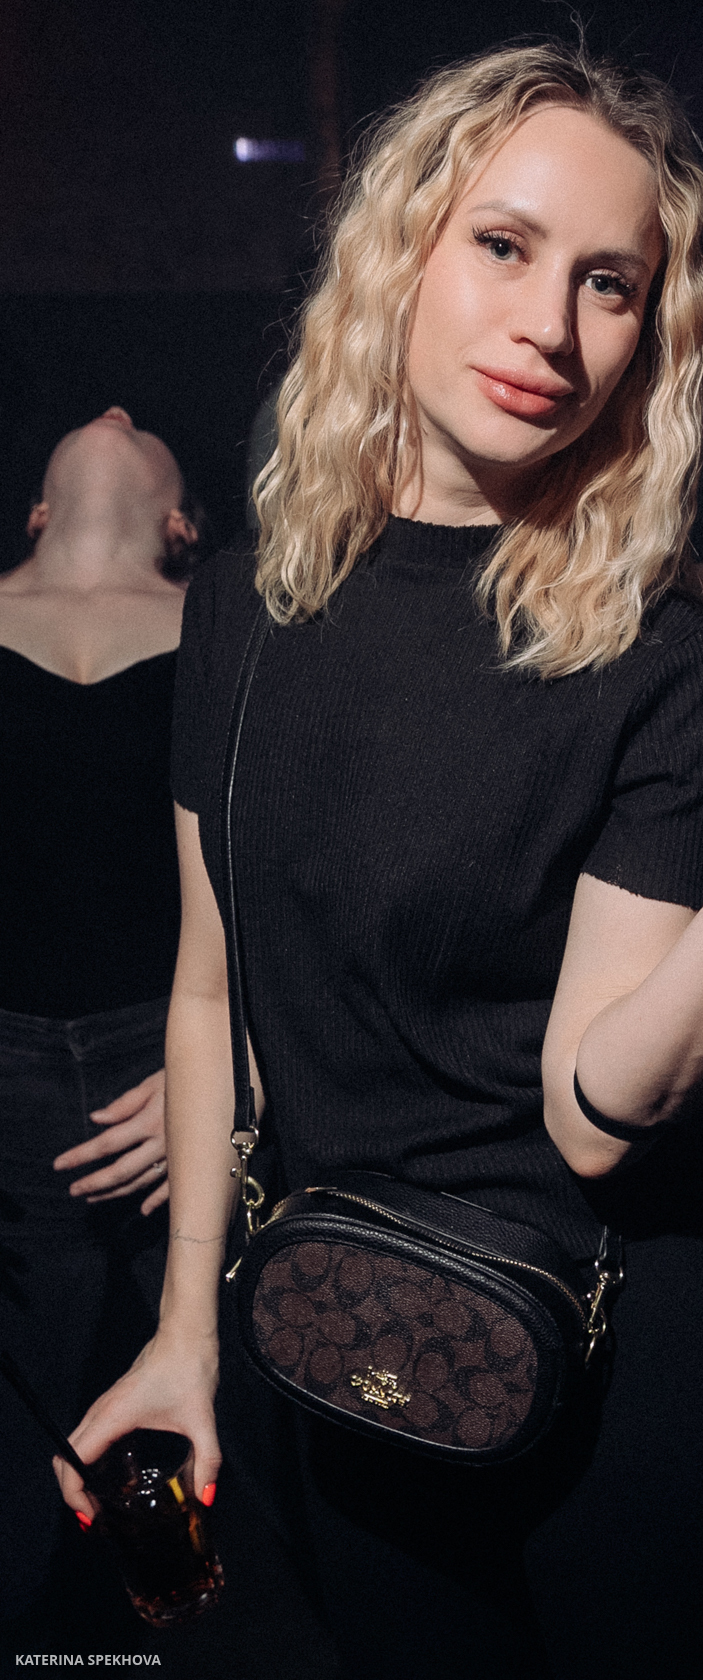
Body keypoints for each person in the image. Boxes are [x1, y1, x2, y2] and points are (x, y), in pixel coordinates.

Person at [57, 45, 703, 1678]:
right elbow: (206, 997)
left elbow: (595, 1112)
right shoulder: (243, 609)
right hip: (349, 1343)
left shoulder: (653, 658)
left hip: (616, 1376)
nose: (553, 324)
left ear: (648, 337)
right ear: (398, 253)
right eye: (504, 244)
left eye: (610, 283)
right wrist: (186, 1332)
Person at [0, 408, 197, 1625]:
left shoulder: (231, 633)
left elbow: (293, 880)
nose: (118, 412)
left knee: (225, 1456)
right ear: (34, 511)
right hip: (4, 1082)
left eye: (146, 427)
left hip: (176, 1061)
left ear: (181, 525)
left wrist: (224, 1072)